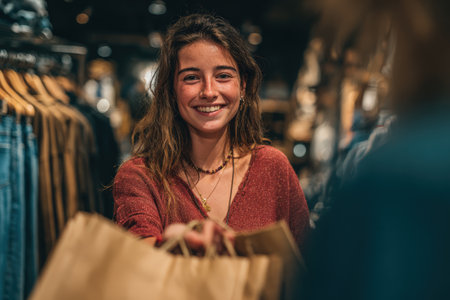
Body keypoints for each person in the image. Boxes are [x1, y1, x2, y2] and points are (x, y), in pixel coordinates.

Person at [113, 14, 310, 251]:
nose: (208, 91)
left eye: (223, 76)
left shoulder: (273, 167)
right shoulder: (140, 177)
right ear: (172, 91)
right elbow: (138, 258)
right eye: (192, 78)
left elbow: (309, 265)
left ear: (243, 85)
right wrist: (171, 245)